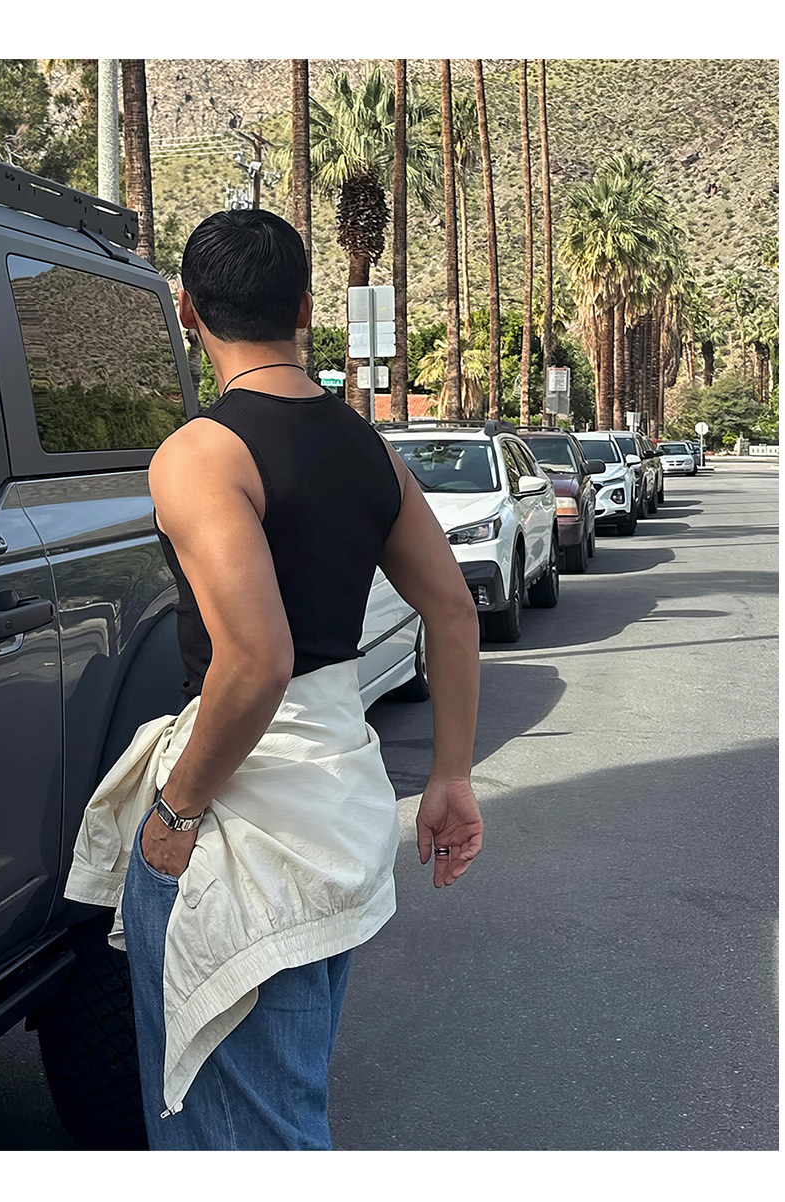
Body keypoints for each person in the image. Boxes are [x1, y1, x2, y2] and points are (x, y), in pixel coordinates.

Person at [65, 208, 482, 1151]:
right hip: (339, 810)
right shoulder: (370, 450)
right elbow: (454, 612)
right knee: (277, 1116)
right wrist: (451, 777)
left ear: (187, 310)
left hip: (243, 830)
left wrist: (174, 813)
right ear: (304, 308)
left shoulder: (201, 454)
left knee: (241, 1139)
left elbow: (255, 660)